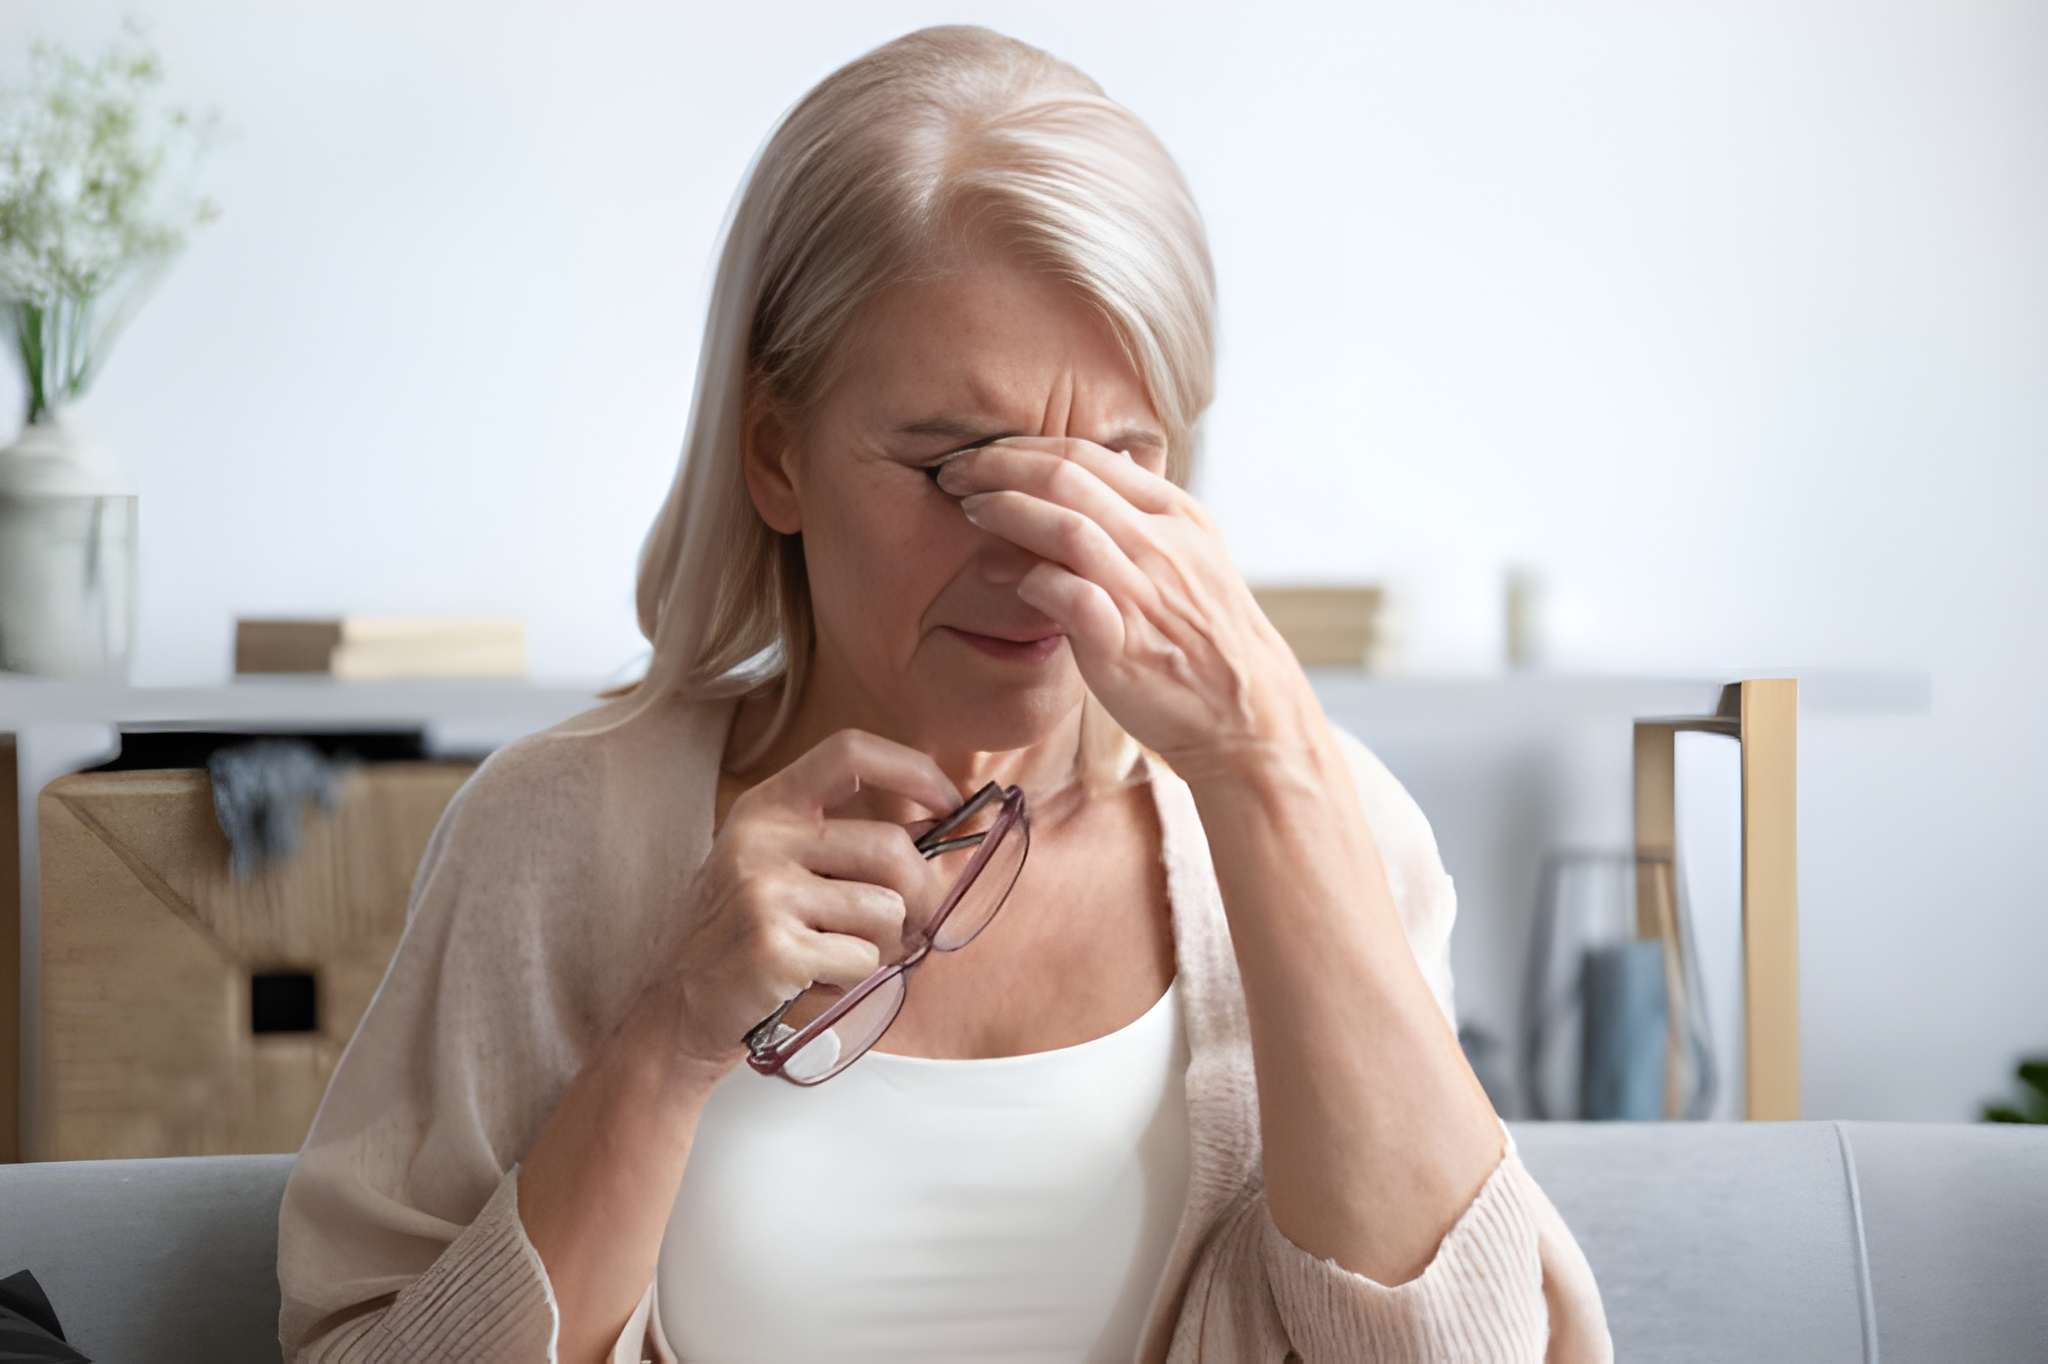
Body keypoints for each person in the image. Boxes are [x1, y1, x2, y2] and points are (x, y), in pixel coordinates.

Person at [276, 22, 1611, 1363]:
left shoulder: (1323, 822)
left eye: (1121, 468)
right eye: (961, 464)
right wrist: (669, 1035)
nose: (1047, 557)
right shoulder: (555, 835)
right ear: (775, 452)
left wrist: (1269, 770)